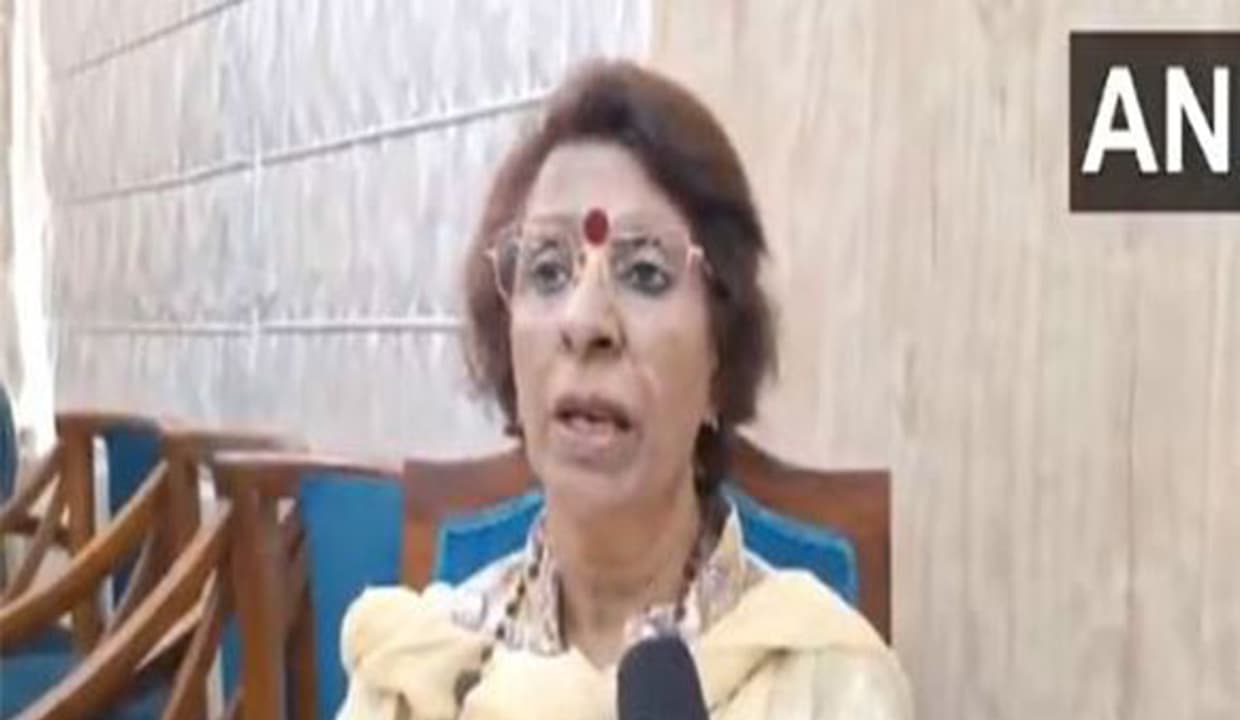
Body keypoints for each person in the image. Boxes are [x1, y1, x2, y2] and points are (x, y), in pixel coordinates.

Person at [338, 59, 911, 719]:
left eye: (644, 273)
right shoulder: (420, 676)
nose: (586, 322)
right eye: (547, 269)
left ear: (720, 359)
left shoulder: (827, 683)